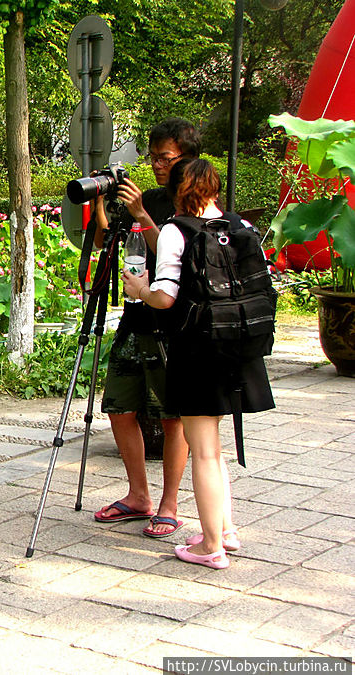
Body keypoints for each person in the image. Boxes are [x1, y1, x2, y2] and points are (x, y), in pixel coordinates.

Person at [122, 158, 275, 568]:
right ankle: (225, 528)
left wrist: (139, 288)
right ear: (214, 189)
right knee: (216, 447)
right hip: (241, 346)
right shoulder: (240, 227)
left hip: (198, 350)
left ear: (177, 190)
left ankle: (211, 546)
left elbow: (165, 298)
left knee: (204, 451)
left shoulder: (176, 230)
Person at [91, 118, 200, 538]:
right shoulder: (150, 197)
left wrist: (140, 214)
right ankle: (139, 496)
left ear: (187, 157)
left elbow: (178, 255)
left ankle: (169, 505)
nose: (157, 165)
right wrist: (103, 202)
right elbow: (105, 242)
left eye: (165, 158)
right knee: (119, 408)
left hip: (174, 323)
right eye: (153, 157)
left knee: (174, 418)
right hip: (136, 318)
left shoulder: (195, 201)